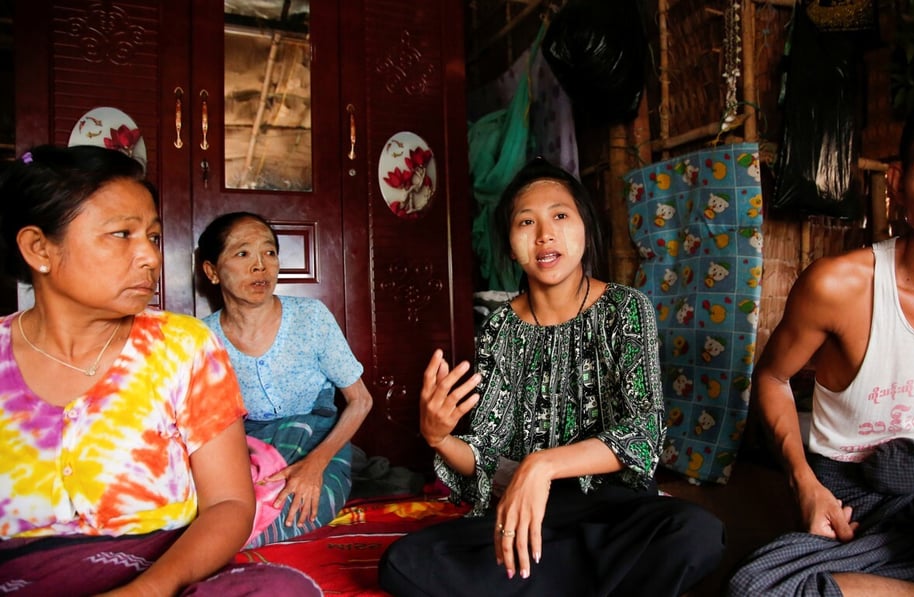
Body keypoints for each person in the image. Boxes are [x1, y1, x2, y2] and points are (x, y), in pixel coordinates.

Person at [378, 157, 725, 596]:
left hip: (615, 514)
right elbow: (488, 458)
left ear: (584, 228)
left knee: (695, 534)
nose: (545, 234)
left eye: (560, 215)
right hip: (530, 521)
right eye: (526, 222)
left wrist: (542, 465)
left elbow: (644, 432)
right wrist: (439, 438)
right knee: (404, 564)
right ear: (509, 244)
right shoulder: (501, 329)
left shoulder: (626, 309)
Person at [728, 90, 914, 596]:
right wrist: (805, 484)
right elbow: (772, 377)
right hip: (851, 501)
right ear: (897, 182)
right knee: (759, 589)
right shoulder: (839, 287)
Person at [0, 145, 319, 595]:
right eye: (120, 234)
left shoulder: (182, 346)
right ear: (39, 248)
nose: (150, 257)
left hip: (162, 568)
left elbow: (229, 502)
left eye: (151, 236)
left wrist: (146, 591)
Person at [197, 212, 373, 547]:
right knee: (209, 510)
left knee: (295, 510)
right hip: (242, 448)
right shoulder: (202, 338)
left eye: (269, 252)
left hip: (316, 441)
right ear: (212, 271)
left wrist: (314, 466)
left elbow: (361, 400)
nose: (260, 266)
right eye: (242, 253)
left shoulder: (311, 317)